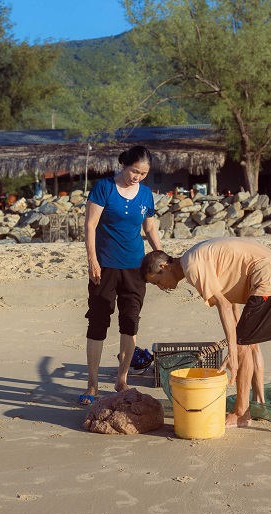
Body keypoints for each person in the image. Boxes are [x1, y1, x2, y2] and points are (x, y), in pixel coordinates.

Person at [140, 237, 271, 428]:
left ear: (164, 267)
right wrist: (235, 339)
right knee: (248, 342)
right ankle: (257, 402)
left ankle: (241, 413)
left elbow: (225, 306)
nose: (161, 287)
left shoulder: (192, 266)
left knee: (242, 346)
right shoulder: (195, 259)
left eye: (157, 282)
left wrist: (232, 350)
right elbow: (231, 300)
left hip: (267, 276)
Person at [80, 145, 163, 405]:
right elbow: (90, 225)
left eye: (143, 173)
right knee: (98, 322)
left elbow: (150, 229)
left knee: (130, 321)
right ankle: (92, 386)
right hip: (104, 266)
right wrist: (92, 260)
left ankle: (122, 379)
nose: (137, 176)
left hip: (135, 268)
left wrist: (162, 258)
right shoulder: (103, 188)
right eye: (134, 171)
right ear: (123, 165)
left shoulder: (146, 194)